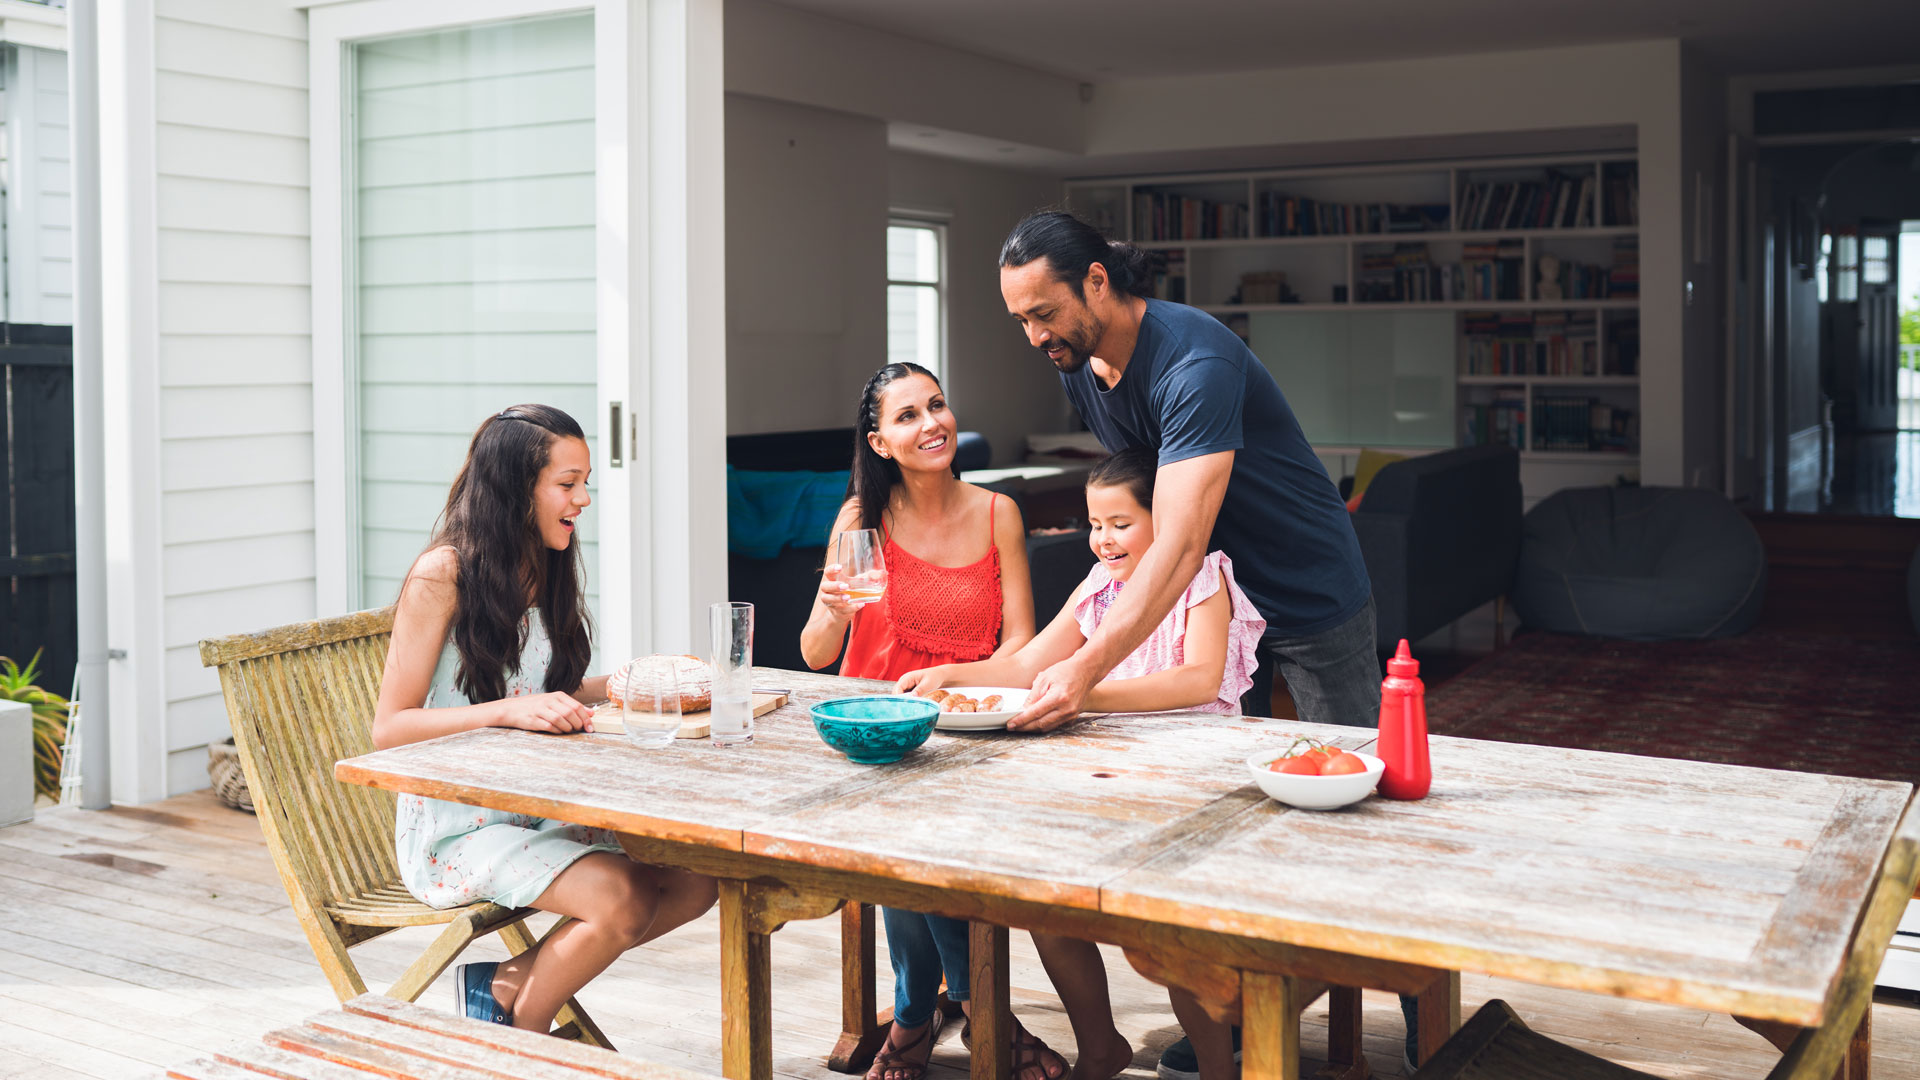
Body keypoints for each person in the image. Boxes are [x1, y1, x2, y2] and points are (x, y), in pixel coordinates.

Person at [996, 210, 1386, 1080]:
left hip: (1306, 590)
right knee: (1222, 811)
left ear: (1098, 280)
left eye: (1044, 311)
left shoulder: (1194, 359)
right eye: (1019, 318)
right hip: (1217, 594)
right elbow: (1144, 509)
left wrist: (1084, 667)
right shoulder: (1082, 365)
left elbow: (1175, 538)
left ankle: (1387, 1003)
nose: (1033, 336)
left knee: (1358, 810)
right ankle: (1236, 999)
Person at [898, 447, 1264, 1080]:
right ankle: (1100, 1048)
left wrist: (1085, 691)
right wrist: (948, 673)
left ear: (1167, 518)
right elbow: (1027, 664)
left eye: (1121, 523)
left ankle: (1217, 1070)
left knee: (1163, 937)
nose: (1103, 540)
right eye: (1095, 524)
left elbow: (1202, 679)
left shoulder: (1201, 576)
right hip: (1103, 771)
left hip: (1188, 779)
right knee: (1046, 903)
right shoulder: (1100, 586)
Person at [374, 405, 718, 1035]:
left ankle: (504, 987)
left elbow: (544, 692)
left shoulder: (544, 560)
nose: (583, 499)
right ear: (515, 488)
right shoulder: (441, 575)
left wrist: (625, 684)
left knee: (697, 878)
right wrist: (508, 711)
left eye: (585, 482)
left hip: (535, 805)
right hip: (458, 825)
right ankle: (519, 1041)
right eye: (568, 484)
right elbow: (388, 729)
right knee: (622, 896)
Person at [799, 363, 1062, 1080]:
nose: (932, 424)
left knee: (922, 852)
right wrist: (833, 608)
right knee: (900, 845)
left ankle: (914, 1018)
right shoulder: (861, 520)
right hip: (876, 739)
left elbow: (1025, 646)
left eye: (937, 406)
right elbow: (817, 655)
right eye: (908, 415)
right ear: (880, 441)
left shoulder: (997, 512)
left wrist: (955, 679)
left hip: (970, 734)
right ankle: (979, 1013)